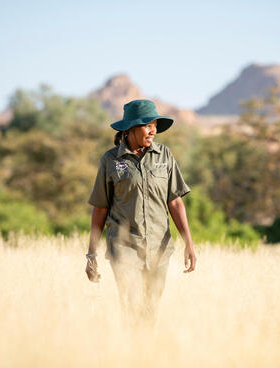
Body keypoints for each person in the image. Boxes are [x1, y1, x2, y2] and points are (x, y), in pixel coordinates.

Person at [85, 99, 196, 326]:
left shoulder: (164, 156)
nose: (153, 130)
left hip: (159, 249)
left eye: (154, 124)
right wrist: (91, 254)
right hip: (124, 246)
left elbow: (175, 202)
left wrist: (189, 244)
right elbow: (100, 208)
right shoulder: (111, 160)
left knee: (150, 307)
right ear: (130, 129)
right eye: (147, 125)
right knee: (131, 304)